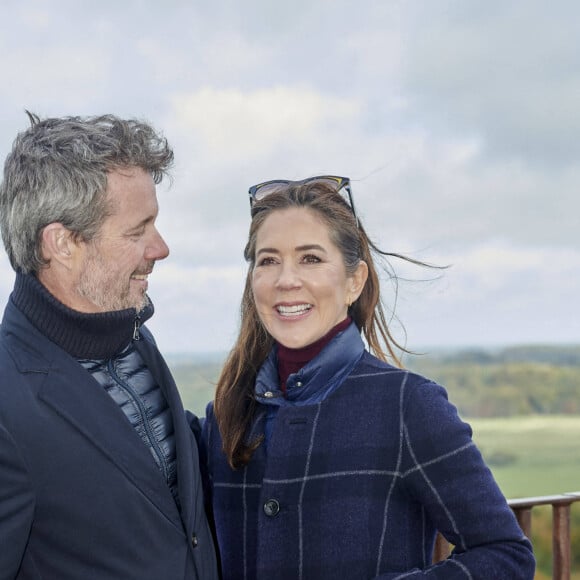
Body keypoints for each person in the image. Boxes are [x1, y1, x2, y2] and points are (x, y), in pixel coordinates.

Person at [201, 176, 535, 579]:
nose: (285, 280)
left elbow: (505, 554)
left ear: (354, 281)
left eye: (310, 258)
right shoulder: (226, 415)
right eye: (268, 260)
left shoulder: (408, 406)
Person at [0, 113, 218, 579]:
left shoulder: (129, 332)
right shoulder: (6, 401)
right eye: (137, 231)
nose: (160, 248)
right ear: (62, 243)